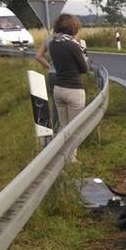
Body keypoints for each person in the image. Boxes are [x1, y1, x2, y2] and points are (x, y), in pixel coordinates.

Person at [49, 13, 89, 161]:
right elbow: (84, 68)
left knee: (64, 127)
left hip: (58, 89)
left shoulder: (53, 44)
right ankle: (71, 159)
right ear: (73, 28)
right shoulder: (73, 46)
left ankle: (62, 157)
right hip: (74, 90)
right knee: (75, 128)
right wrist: (83, 51)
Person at [34, 30, 60, 127]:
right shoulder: (67, 37)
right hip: (64, 74)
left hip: (52, 73)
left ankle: (56, 129)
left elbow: (38, 56)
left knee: (56, 104)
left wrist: (49, 66)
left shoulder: (48, 39)